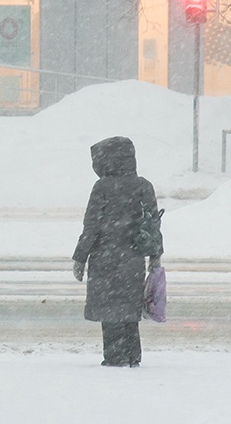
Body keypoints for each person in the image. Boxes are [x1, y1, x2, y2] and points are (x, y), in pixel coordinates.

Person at [72, 136, 162, 367]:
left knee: (110, 312)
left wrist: (80, 257)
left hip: (105, 257)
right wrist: (155, 255)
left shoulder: (102, 187)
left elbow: (91, 226)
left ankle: (114, 357)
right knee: (129, 311)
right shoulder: (143, 186)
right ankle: (133, 356)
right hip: (133, 258)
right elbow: (152, 224)